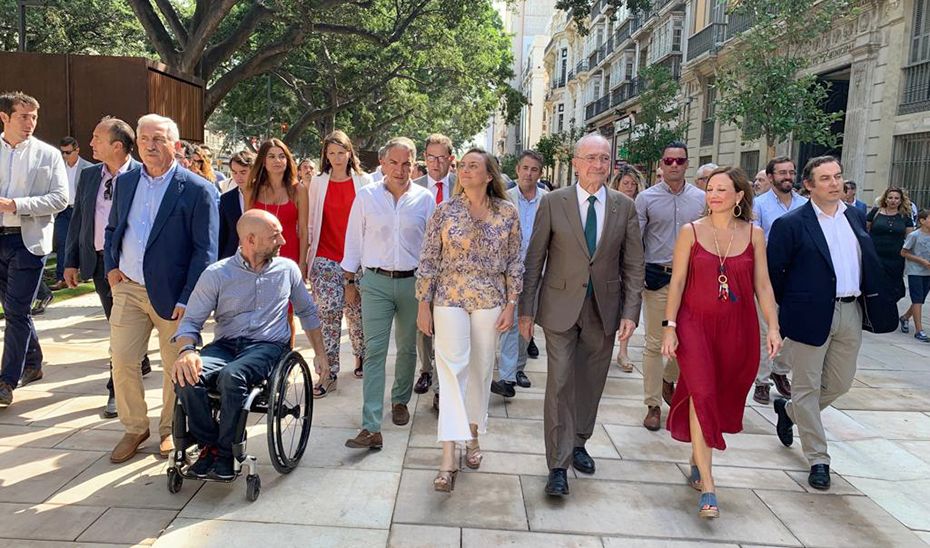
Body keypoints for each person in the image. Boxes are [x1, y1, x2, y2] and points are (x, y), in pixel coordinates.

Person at [520, 133, 645, 497]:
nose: (597, 165)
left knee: (591, 383)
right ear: (575, 163)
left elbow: (633, 264)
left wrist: (631, 312)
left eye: (604, 158)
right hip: (559, 308)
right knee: (560, 382)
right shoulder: (553, 202)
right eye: (590, 158)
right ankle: (557, 465)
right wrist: (526, 309)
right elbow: (534, 259)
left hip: (604, 310)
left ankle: (578, 442)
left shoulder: (624, 206)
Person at [768, 156, 898, 491]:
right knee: (807, 387)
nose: (834, 183)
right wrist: (795, 306)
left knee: (840, 383)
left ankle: (790, 412)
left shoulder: (854, 216)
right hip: (809, 314)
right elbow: (775, 275)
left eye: (837, 176)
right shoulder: (791, 224)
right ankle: (818, 459)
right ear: (808, 185)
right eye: (825, 178)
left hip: (850, 311)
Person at [661, 166, 781, 519]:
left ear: (739, 195)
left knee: (718, 394)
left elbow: (763, 285)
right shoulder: (690, 231)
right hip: (694, 325)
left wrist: (773, 327)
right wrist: (669, 326)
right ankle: (709, 486)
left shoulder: (755, 234)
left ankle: (697, 457)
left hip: (737, 328)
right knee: (703, 393)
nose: (713, 195)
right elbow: (677, 282)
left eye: (721, 189)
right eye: (710, 189)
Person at [172, 209, 328, 479]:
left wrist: (321, 354)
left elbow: (307, 312)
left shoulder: (287, 270)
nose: (282, 241)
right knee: (186, 375)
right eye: (274, 236)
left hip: (267, 346)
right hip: (225, 346)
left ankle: (225, 452)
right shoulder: (217, 274)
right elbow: (191, 322)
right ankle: (210, 444)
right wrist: (187, 351)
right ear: (250, 240)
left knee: (232, 376)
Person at [104, 113, 218, 463]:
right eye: (144, 139)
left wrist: (189, 297)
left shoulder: (198, 189)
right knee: (122, 360)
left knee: (175, 366)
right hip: (128, 288)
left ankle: (169, 429)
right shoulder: (126, 182)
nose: (150, 146)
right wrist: (111, 267)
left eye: (158, 139)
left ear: (176, 145)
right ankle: (134, 427)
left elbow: (205, 251)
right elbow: (113, 228)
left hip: (174, 295)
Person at [417, 147, 522, 492]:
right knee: (451, 371)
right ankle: (448, 456)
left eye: (473, 166)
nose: (464, 170)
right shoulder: (444, 211)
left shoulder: (507, 212)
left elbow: (514, 262)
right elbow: (429, 259)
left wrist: (512, 303)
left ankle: (473, 435)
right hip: (449, 296)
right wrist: (423, 303)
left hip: (490, 298)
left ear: (489, 175)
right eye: (462, 165)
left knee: (480, 369)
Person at [342, 137, 435, 449]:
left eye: (406, 163)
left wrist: (430, 290)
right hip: (376, 283)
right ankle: (371, 426)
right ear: (382, 164)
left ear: (414, 165)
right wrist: (349, 282)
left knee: (407, 348)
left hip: (412, 283)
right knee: (374, 352)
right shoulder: (366, 196)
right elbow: (354, 239)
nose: (400, 169)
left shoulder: (425, 199)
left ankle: (400, 401)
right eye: (393, 162)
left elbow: (431, 248)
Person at [63, 116, 152, 418]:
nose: (90, 144)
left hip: (131, 265)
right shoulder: (90, 175)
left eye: (97, 139)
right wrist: (71, 261)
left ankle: (116, 388)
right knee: (117, 324)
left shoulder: (143, 175)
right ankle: (135, 360)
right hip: (100, 261)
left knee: (121, 329)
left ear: (117, 146)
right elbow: (79, 219)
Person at [0, 92, 69, 407]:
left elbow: (60, 198)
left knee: (16, 311)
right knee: (16, 309)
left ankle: (6, 381)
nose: (30, 123)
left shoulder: (48, 154)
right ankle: (33, 361)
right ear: (5, 117)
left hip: (28, 242)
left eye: (34, 117)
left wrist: (16, 205)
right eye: (23, 116)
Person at [634, 142, 705, 431]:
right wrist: (636, 276)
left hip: (692, 280)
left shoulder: (701, 199)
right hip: (658, 278)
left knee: (687, 341)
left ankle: (668, 377)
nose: (674, 165)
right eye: (669, 160)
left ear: (687, 163)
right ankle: (653, 405)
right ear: (661, 164)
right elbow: (636, 240)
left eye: (680, 160)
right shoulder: (646, 199)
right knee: (654, 343)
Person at [307, 130, 369, 396]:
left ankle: (360, 354)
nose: (336, 158)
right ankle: (329, 372)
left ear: (349, 153)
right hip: (325, 257)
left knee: (356, 313)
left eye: (341, 152)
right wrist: (307, 258)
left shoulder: (364, 181)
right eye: (331, 153)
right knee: (328, 315)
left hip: (356, 260)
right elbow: (312, 221)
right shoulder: (318, 182)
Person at [749, 157, 806, 404]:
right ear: (771, 177)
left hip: (799, 277)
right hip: (769, 275)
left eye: (791, 172)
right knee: (765, 330)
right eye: (782, 173)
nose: (788, 177)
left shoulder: (806, 205)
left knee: (792, 329)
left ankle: (780, 371)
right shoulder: (759, 205)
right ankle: (762, 380)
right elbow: (754, 242)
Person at [491, 150, 547, 398]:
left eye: (534, 169)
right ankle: (507, 377)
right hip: (507, 271)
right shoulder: (504, 198)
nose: (528, 174)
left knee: (527, 319)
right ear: (517, 170)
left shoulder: (549, 201)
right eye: (525, 168)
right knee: (510, 323)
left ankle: (518, 369)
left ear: (540, 173)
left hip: (536, 271)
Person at [243, 139, 308, 348]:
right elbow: (245, 228)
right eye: (271, 156)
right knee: (257, 308)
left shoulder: (298, 190)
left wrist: (302, 263)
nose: (277, 161)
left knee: (286, 312)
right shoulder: (252, 189)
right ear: (263, 161)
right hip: (257, 255)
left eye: (281, 156)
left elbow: (304, 230)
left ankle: (286, 358)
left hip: (288, 253)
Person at [412, 134, 458, 405]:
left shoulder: (461, 185)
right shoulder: (414, 187)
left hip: (452, 270)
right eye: (431, 157)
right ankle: (426, 371)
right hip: (421, 266)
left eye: (442, 158)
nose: (436, 163)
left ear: (451, 159)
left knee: (447, 327)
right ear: (424, 157)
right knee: (423, 324)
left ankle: (442, 387)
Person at [608, 164, 644, 373]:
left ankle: (623, 350)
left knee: (628, 307)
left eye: (633, 184)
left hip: (631, 262)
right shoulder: (610, 204)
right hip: (612, 263)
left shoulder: (640, 205)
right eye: (626, 183)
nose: (630, 187)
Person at [52, 136, 91, 290]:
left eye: (68, 152)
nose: (64, 156)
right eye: (62, 152)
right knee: (63, 243)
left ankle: (86, 272)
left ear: (77, 150)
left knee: (83, 242)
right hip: (62, 210)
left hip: (80, 210)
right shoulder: (58, 167)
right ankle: (61, 277)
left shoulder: (87, 168)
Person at [867, 187, 914, 307]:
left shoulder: (905, 216)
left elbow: (910, 238)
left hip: (896, 259)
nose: (893, 200)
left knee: (893, 288)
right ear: (885, 199)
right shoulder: (875, 212)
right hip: (875, 256)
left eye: (896, 198)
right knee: (875, 285)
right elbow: (865, 231)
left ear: (901, 200)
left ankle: (888, 310)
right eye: (890, 198)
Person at [218, 150, 254, 260]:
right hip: (232, 257)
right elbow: (222, 234)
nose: (238, 177)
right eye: (234, 172)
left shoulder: (265, 196)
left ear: (253, 171)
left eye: (243, 172)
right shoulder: (226, 199)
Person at [901, 210, 930, 342]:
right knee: (917, 299)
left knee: (921, 299)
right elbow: (904, 252)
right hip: (915, 271)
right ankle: (919, 330)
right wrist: (921, 261)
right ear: (922, 221)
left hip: (927, 272)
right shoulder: (914, 235)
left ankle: (905, 317)